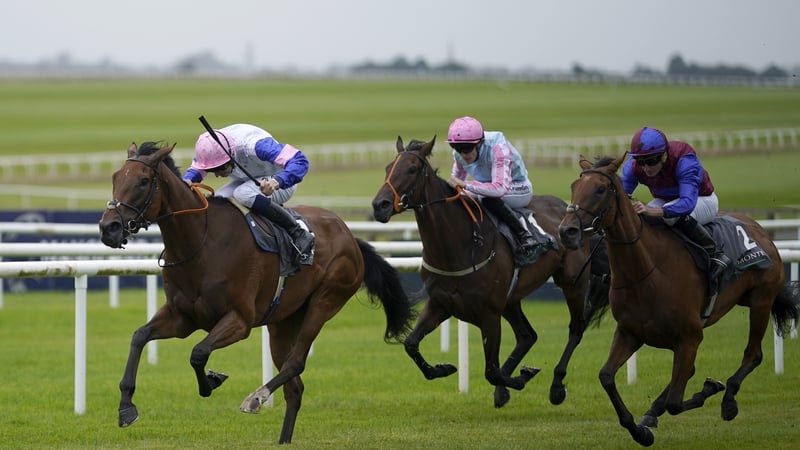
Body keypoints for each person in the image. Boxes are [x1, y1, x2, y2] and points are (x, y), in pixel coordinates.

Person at [183, 123, 314, 258]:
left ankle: (297, 231)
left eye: (219, 169)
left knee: (243, 194)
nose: (216, 175)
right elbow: (196, 170)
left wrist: (277, 181)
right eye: (212, 170)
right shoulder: (212, 147)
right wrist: (187, 180)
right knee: (219, 200)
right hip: (247, 180)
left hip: (281, 182)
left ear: (231, 153)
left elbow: (300, 161)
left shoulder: (257, 146)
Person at [621, 126, 731, 281]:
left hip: (702, 200)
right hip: (667, 200)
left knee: (669, 216)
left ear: (664, 156)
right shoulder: (633, 167)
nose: (646, 168)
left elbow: (687, 203)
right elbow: (621, 197)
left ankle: (715, 254)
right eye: (641, 162)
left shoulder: (684, 160)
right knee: (642, 219)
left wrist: (653, 211)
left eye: (651, 161)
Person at [445, 116, 541, 256]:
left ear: (479, 143)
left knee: (484, 197)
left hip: (517, 187)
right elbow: (456, 184)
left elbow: (499, 188)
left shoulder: (498, 148)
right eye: (457, 148)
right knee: (462, 197)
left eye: (467, 148)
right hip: (488, 188)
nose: (463, 154)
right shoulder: (459, 153)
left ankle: (525, 235)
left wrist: (466, 184)